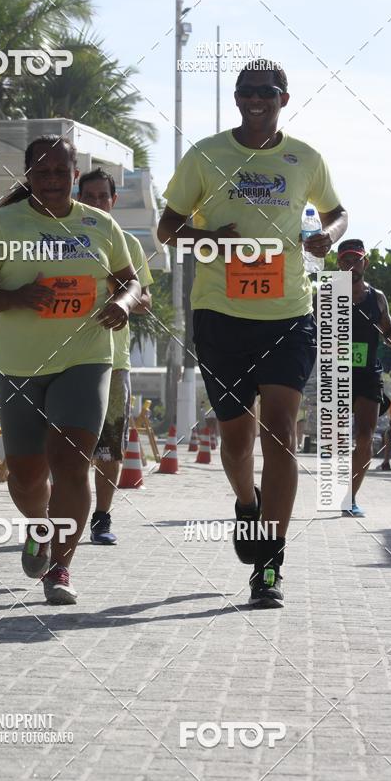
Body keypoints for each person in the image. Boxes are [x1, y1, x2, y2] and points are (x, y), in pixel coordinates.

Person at [158, 59, 348, 608]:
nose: (255, 99)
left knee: (282, 432)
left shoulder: (305, 158)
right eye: (246, 92)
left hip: (289, 312)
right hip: (221, 314)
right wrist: (207, 237)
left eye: (266, 92)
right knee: (237, 440)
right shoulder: (206, 155)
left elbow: (337, 213)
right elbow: (168, 227)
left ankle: (269, 563)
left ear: (284, 98)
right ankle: (246, 502)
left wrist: (326, 237)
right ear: (237, 98)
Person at [0, 135, 140, 604]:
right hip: (21, 364)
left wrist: (121, 301)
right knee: (26, 474)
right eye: (43, 172)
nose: (53, 180)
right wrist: (16, 297)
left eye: (62, 172)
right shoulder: (2, 224)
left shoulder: (99, 225)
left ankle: (60, 568)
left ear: (75, 175)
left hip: (86, 356)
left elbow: (131, 281)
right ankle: (38, 526)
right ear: (29, 176)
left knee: (72, 462)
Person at [76, 168, 153, 545]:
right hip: (62, 359)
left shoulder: (127, 244)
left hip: (113, 361)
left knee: (109, 446)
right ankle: (57, 518)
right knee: (62, 447)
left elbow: (146, 301)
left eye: (102, 196)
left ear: (113, 200)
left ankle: (101, 518)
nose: (95, 203)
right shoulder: (60, 238)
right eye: (88, 196)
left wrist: (123, 299)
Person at [337, 239, 391, 514]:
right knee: (335, 440)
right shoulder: (328, 293)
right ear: (339, 263)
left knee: (364, 437)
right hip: (336, 373)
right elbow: (313, 331)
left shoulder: (377, 297)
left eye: (356, 260)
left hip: (368, 373)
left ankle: (350, 498)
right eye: (345, 260)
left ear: (364, 263)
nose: (351, 265)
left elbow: (388, 338)